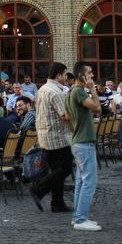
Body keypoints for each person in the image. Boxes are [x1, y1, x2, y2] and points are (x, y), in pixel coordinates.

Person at [31, 62, 73, 213]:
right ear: (59, 75)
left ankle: (57, 203)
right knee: (65, 168)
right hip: (57, 137)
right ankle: (38, 189)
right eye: (65, 74)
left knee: (57, 169)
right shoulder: (56, 92)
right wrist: (75, 130)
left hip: (45, 134)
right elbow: (65, 115)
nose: (66, 78)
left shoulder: (42, 89)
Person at [66, 62, 102, 231]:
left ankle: (78, 217)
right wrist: (92, 89)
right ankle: (80, 219)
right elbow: (97, 108)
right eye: (90, 73)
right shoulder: (79, 91)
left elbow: (66, 118)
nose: (92, 76)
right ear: (81, 75)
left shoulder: (71, 92)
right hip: (84, 142)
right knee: (89, 182)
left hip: (78, 141)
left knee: (81, 181)